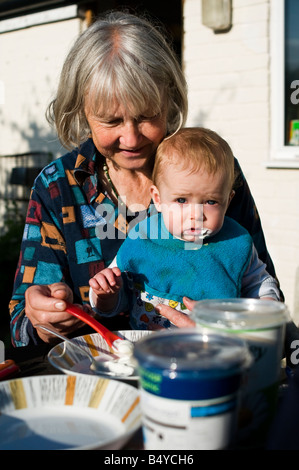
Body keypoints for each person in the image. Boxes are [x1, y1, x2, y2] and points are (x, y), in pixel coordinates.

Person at [9, 10, 280, 347]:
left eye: (147, 116)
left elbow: (266, 299)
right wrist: (42, 317)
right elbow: (20, 325)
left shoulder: (212, 176)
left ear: (170, 102)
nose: (132, 138)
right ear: (82, 113)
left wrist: (228, 333)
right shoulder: (57, 187)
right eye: (111, 121)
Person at [89, 128, 280, 329]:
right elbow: (114, 305)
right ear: (158, 199)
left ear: (228, 201)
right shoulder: (143, 237)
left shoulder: (235, 242)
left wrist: (263, 310)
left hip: (213, 350)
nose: (196, 214)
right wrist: (105, 294)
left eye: (211, 201)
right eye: (181, 200)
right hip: (147, 350)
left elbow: (261, 286)